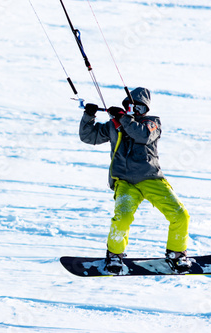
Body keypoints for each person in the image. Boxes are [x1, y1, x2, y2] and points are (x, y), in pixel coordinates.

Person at [79, 87, 191, 274]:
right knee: (122, 218)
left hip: (151, 179)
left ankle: (177, 254)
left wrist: (124, 118)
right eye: (131, 106)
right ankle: (114, 255)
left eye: (139, 108)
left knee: (180, 215)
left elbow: (142, 135)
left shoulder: (152, 124)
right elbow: (88, 137)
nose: (135, 111)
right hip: (125, 181)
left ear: (145, 109)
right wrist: (88, 116)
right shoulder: (115, 124)